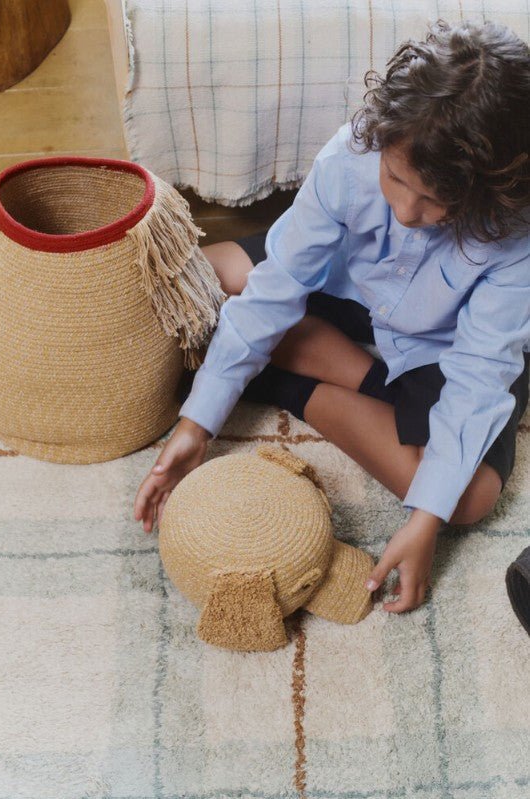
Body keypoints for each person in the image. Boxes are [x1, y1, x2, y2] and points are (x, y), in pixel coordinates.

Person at [134, 19, 530, 614]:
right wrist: (196, 425)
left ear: (487, 196)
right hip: (345, 285)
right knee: (190, 285)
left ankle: (290, 377)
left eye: (434, 203)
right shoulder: (351, 156)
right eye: (395, 178)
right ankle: (344, 370)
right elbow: (279, 285)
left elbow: (478, 376)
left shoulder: (514, 235)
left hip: (441, 344)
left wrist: (424, 521)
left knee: (465, 497)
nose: (403, 209)